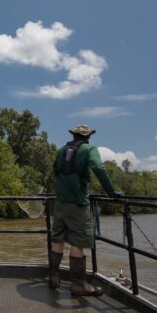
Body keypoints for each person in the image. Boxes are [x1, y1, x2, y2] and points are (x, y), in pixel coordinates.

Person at [50, 124, 121, 296]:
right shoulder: (90, 149)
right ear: (88, 136)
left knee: (57, 239)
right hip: (78, 204)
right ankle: (78, 285)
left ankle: (53, 277)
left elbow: (55, 170)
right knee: (78, 242)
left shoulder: (61, 150)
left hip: (60, 203)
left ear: (73, 135)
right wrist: (111, 192)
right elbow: (99, 168)